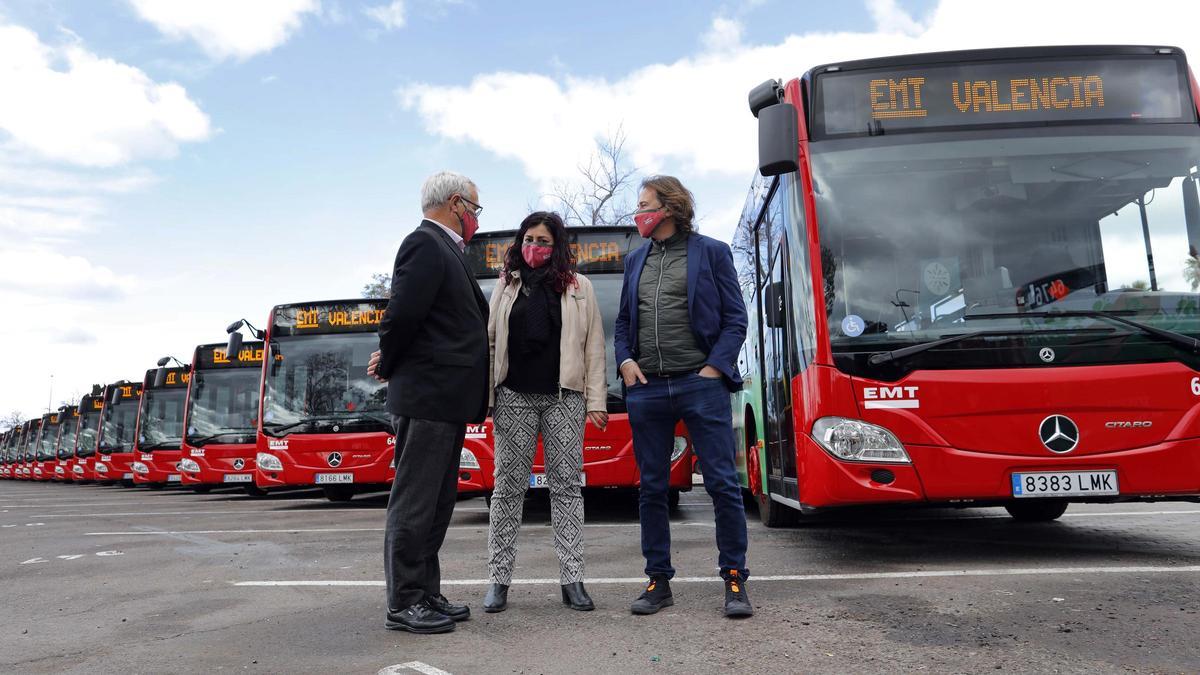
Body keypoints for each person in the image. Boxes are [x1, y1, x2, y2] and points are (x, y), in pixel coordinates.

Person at [613, 175, 753, 618]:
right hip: (647, 389)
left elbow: (735, 318)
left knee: (722, 485)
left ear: (669, 208)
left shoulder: (711, 252)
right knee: (652, 488)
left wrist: (714, 369)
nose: (638, 214)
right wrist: (625, 362)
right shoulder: (634, 261)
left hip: (700, 384)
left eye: (643, 205)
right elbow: (621, 325)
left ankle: (734, 578)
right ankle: (658, 580)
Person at [369, 171, 489, 634]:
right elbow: (402, 316)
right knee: (415, 503)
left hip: (447, 398)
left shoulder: (448, 251)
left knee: (437, 503)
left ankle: (425, 592)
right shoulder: (423, 244)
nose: (475, 219)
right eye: (475, 209)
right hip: (427, 396)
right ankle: (404, 601)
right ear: (456, 204)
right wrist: (389, 361)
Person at [482, 212, 608, 614]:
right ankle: (498, 580)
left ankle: (573, 579)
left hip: (563, 397)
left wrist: (596, 401)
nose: (534, 247)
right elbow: (489, 343)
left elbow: (594, 348)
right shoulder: (505, 285)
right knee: (507, 490)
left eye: (543, 241)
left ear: (558, 247)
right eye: (529, 239)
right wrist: (484, 399)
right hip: (513, 397)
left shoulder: (579, 287)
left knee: (567, 486)